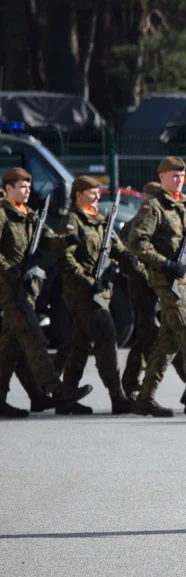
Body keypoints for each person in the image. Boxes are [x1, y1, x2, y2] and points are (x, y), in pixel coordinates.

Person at [126, 156, 186, 418]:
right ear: (163, 177)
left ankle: (145, 398)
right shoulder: (153, 208)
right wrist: (165, 264)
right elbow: (137, 243)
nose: (178, 179)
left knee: (168, 344)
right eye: (173, 175)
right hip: (167, 283)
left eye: (181, 175)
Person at [0, 167, 93, 418]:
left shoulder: (29, 215)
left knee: (10, 348)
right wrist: (11, 270)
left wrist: (66, 241)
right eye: (22, 187)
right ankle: (55, 389)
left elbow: (48, 240)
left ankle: (31, 398)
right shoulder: (2, 215)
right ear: (8, 188)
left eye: (29, 187)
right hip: (9, 290)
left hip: (27, 289)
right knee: (34, 337)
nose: (27, 191)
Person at [56, 176, 135, 415]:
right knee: (107, 338)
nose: (97, 196)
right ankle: (117, 396)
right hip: (83, 294)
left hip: (101, 292)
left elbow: (117, 248)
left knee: (81, 344)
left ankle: (65, 397)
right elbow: (65, 257)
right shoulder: (73, 221)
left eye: (98, 192)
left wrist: (132, 262)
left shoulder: (100, 219)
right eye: (92, 193)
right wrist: (89, 281)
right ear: (78, 194)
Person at [119, 181, 161, 400]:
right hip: (142, 286)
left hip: (154, 284)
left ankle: (134, 383)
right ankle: (132, 383)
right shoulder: (138, 222)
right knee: (146, 334)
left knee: (148, 336)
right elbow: (134, 257)